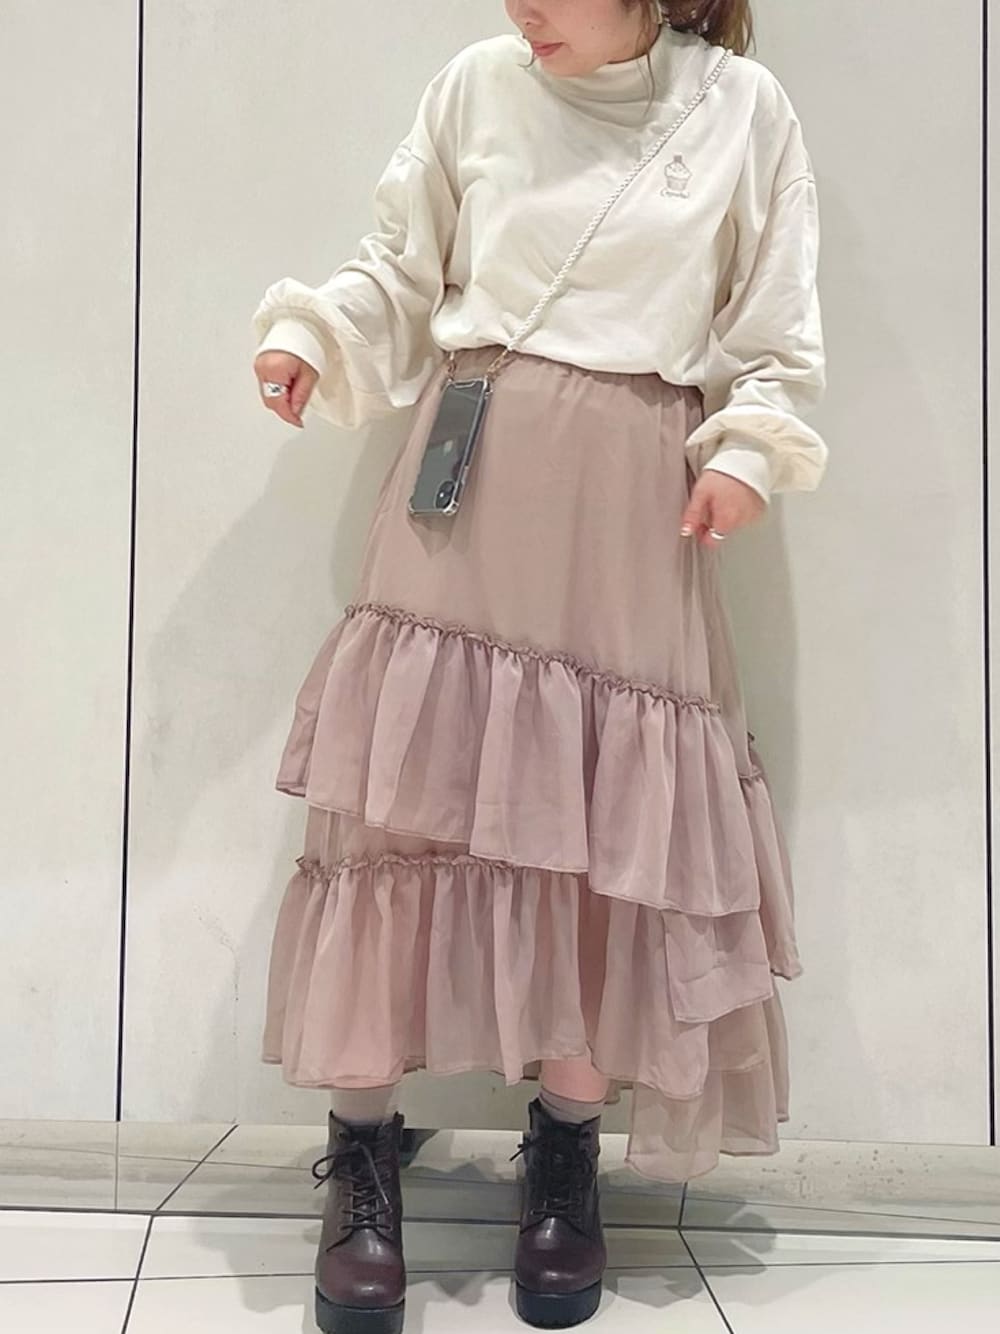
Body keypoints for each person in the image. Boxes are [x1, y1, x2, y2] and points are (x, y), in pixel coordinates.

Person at [251, 2, 827, 1331]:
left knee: (602, 837)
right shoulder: (477, 85)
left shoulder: (743, 110)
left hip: (633, 512)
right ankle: (363, 1153)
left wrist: (750, 449)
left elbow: (773, 327)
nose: (521, 6)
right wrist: (319, 335)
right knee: (400, 810)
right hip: (470, 482)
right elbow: (400, 270)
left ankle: (565, 1151)